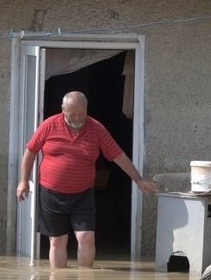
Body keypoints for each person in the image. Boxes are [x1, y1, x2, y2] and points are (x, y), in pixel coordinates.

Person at [16, 91, 158, 268]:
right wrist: (23, 181)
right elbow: (30, 151)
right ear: (63, 110)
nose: (77, 118)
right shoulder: (49, 125)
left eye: (81, 114)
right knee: (57, 241)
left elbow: (118, 156)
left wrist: (138, 179)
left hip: (82, 195)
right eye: (72, 114)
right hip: (51, 193)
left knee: (86, 238)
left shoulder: (96, 129)